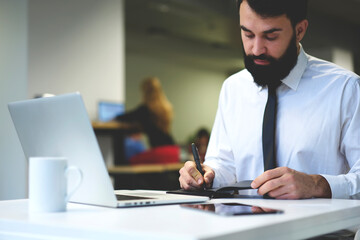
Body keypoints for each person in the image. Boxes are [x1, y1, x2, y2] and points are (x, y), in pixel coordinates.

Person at [179, 0, 360, 199]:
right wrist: (206, 175)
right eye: (248, 34)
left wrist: (318, 185)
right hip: (244, 226)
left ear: (299, 30)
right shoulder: (233, 88)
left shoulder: (345, 88)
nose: (256, 49)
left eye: (271, 36)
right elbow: (224, 165)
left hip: (325, 229)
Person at [115, 77, 178, 164]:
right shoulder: (166, 108)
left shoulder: (145, 109)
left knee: (130, 161)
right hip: (173, 151)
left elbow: (124, 117)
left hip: (160, 153)